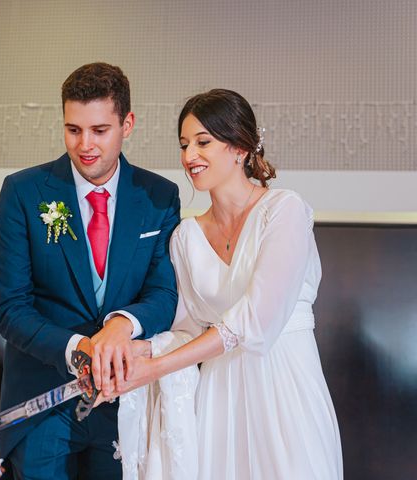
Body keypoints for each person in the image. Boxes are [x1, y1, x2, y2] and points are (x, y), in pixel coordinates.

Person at [111, 89, 343, 479]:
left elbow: (256, 320)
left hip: (284, 386)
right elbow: (185, 330)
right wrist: (140, 352)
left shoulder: (284, 211)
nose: (189, 157)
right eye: (184, 145)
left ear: (239, 147)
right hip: (218, 396)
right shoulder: (185, 236)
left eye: (203, 142)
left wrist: (157, 368)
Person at [0, 62, 181, 479]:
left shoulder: (160, 197)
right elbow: (9, 308)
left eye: (99, 130)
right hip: (43, 400)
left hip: (123, 401)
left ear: (127, 124)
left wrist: (120, 325)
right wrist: (78, 347)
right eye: (73, 129)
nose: (85, 144)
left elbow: (164, 294)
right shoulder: (23, 192)